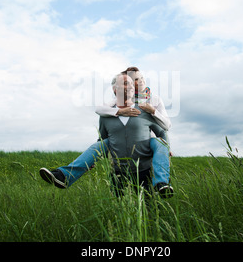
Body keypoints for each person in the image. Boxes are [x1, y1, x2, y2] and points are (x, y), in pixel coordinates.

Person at [40, 71, 174, 198]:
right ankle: (63, 176)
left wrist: (165, 150)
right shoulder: (106, 115)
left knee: (149, 211)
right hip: (118, 172)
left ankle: (161, 183)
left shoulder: (145, 110)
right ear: (115, 90)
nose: (132, 86)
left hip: (144, 170)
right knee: (120, 212)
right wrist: (91, 159)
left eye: (132, 84)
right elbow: (102, 140)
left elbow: (162, 132)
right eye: (126, 83)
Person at [95, 66, 173, 191]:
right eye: (136, 80)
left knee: (159, 148)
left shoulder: (154, 99)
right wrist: (120, 111)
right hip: (130, 142)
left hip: (150, 141)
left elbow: (165, 126)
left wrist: (152, 111)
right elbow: (99, 109)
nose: (141, 81)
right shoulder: (124, 99)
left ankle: (162, 183)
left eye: (141, 77)